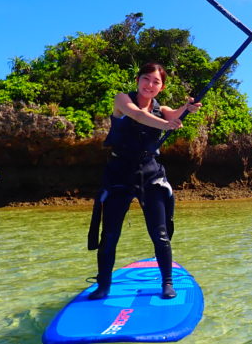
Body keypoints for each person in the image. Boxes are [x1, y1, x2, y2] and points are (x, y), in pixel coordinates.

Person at [86, 62, 201, 300]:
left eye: (156, 82)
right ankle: (104, 285)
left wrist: (188, 107)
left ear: (161, 87)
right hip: (119, 172)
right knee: (109, 234)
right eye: (146, 79)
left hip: (151, 173)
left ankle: (167, 283)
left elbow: (175, 114)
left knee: (159, 233)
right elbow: (139, 115)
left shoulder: (163, 109)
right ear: (137, 80)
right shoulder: (121, 100)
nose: (150, 85)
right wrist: (166, 125)